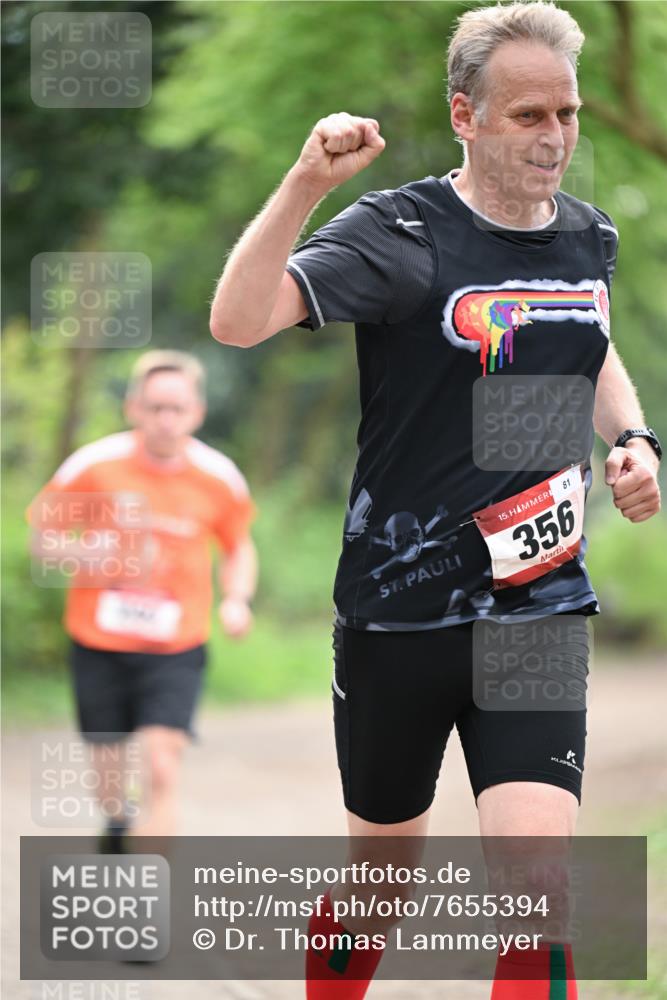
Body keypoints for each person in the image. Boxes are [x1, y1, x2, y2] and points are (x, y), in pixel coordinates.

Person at [209, 2, 661, 997]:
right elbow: (238, 322)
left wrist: (631, 439)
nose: (555, 138)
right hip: (398, 608)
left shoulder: (589, 235)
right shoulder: (397, 231)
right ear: (465, 115)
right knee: (379, 881)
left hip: (537, 602)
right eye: (527, 117)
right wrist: (303, 185)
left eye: (567, 114)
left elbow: (585, 345)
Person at [27, 350, 258, 846]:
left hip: (176, 647)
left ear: (196, 412)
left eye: (177, 409)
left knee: (160, 762)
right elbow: (42, 540)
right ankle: (116, 822)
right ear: (134, 408)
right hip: (99, 642)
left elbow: (239, 548)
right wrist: (85, 555)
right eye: (155, 407)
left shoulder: (218, 477)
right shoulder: (94, 465)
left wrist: (236, 599)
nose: (166, 420)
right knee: (110, 777)